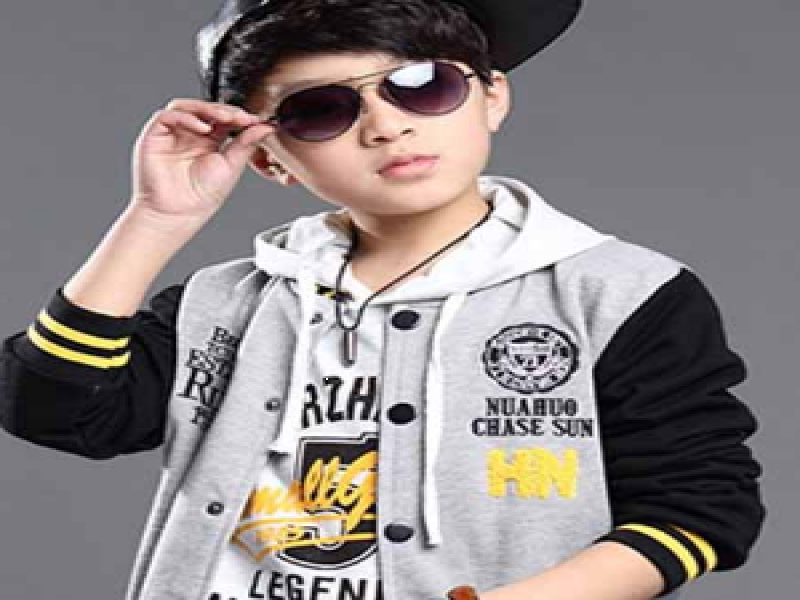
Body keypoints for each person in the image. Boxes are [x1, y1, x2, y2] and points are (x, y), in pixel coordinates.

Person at [0, 1, 765, 599]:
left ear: (492, 96)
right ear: (270, 157)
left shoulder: (621, 294)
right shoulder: (224, 305)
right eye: (320, 110)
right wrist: (155, 220)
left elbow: (700, 509)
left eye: (424, 85)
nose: (386, 126)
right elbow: (53, 411)